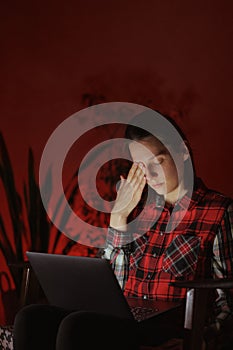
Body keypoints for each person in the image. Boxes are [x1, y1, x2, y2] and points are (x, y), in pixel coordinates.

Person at [13, 109, 233, 350]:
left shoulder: (219, 211)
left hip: (169, 327)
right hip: (125, 318)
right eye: (140, 166)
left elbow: (228, 302)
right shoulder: (135, 206)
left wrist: (198, 341)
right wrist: (118, 217)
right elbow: (112, 283)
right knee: (32, 317)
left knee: (76, 326)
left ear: (181, 151)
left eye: (156, 162)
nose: (149, 175)